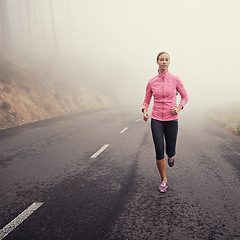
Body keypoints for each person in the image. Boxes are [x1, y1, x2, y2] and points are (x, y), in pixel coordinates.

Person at [142, 52, 188, 192]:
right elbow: (146, 100)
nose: (164, 62)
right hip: (156, 119)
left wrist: (179, 108)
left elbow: (185, 97)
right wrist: (145, 111)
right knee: (159, 149)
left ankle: (171, 155)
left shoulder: (175, 79)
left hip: (171, 119)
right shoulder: (152, 81)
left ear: (169, 63)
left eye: (166, 60)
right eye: (161, 59)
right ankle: (164, 180)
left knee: (170, 149)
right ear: (157, 62)